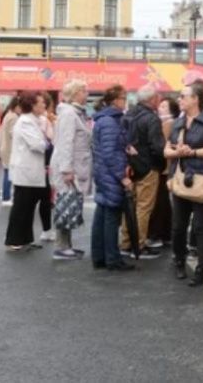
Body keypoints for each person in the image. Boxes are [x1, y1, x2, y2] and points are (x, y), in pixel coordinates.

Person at [166, 82, 203, 286]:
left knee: (200, 227)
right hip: (181, 178)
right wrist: (178, 153)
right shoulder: (177, 123)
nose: (179, 100)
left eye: (183, 96)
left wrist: (193, 152)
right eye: (180, 96)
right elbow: (167, 151)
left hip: (201, 179)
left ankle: (201, 271)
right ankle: (179, 262)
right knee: (178, 227)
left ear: (195, 99)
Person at [91, 85, 134, 272]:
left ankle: (99, 257)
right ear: (116, 100)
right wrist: (122, 177)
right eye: (124, 98)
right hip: (110, 176)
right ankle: (112, 259)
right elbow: (110, 154)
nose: (126, 102)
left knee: (102, 215)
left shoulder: (104, 119)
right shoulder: (110, 121)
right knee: (111, 218)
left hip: (103, 174)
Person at [120, 84, 165, 259]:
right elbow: (157, 147)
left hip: (130, 167)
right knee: (143, 208)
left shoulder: (128, 114)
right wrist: (162, 163)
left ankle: (125, 243)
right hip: (148, 167)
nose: (159, 100)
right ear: (152, 99)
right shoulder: (152, 119)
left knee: (129, 207)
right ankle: (139, 245)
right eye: (158, 97)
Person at [4, 92, 50, 251]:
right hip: (25, 170)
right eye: (41, 103)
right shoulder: (25, 122)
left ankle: (25, 239)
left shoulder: (35, 121)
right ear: (32, 105)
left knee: (29, 207)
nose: (44, 105)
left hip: (32, 170)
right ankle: (14, 240)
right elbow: (37, 145)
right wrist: (47, 142)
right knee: (21, 207)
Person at [50, 80, 92, 260]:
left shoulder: (74, 113)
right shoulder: (69, 114)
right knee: (66, 206)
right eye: (84, 91)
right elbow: (65, 143)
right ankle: (61, 247)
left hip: (73, 166)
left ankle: (67, 246)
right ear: (75, 94)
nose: (87, 95)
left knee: (70, 205)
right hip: (68, 169)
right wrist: (66, 169)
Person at [148, 96, 179, 249]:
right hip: (166, 167)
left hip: (164, 167)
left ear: (171, 110)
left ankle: (159, 234)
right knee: (164, 202)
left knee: (160, 202)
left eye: (164, 106)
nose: (160, 108)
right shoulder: (166, 122)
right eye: (160, 105)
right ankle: (166, 234)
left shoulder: (168, 124)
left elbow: (162, 146)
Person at [35, 92, 56, 242]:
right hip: (43, 164)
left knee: (36, 201)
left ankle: (44, 231)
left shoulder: (37, 120)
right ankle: (46, 230)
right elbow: (52, 139)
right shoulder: (44, 121)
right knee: (44, 199)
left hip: (38, 165)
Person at [0, 95, 21, 207]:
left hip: (5, 148)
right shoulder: (14, 117)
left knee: (7, 173)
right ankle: (6, 198)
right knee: (9, 174)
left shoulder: (8, 115)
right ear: (16, 106)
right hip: (10, 150)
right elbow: (13, 134)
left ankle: (6, 197)